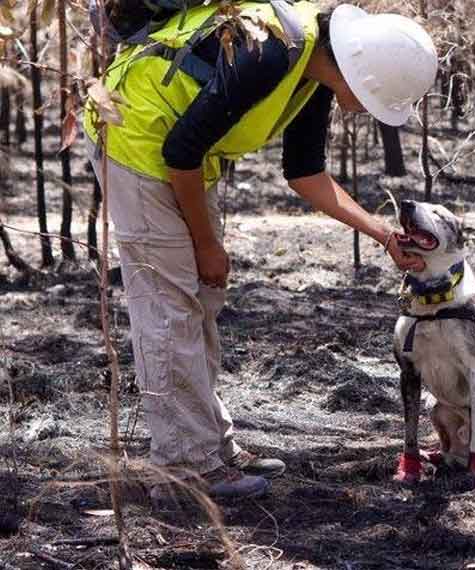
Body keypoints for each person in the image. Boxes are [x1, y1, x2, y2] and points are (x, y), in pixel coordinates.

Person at [83, 1, 437, 500]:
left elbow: (306, 175)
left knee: (198, 303)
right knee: (169, 308)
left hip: (175, 154)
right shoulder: (272, 53)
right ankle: (186, 470)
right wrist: (207, 245)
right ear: (361, 77)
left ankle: (210, 447)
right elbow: (178, 153)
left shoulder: (313, 69)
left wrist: (382, 234)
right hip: (134, 139)